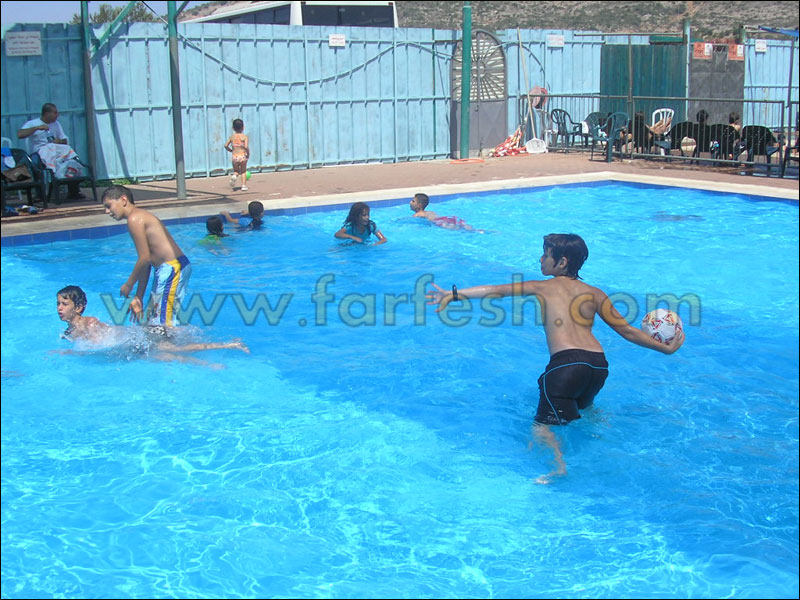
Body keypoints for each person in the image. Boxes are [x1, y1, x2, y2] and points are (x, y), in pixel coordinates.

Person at [426, 233, 685, 484]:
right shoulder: (595, 293)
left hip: (566, 365)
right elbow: (627, 330)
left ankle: (557, 469)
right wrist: (665, 349)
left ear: (561, 262)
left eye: (545, 255)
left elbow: (496, 291)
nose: (540, 259)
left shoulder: (542, 287)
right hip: (597, 366)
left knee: (541, 427)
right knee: (585, 411)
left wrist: (453, 294)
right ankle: (602, 442)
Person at [57, 285, 248, 366]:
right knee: (165, 357)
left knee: (177, 349)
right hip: (134, 343)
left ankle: (230, 344)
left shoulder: (89, 323)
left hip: (142, 337)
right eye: (58, 303)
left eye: (65, 304)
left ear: (79, 308)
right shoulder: (69, 331)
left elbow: (99, 345)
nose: (59, 308)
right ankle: (209, 365)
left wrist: (73, 353)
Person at [102, 185, 191, 327]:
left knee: (163, 324)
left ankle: (197, 339)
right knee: (153, 321)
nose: (107, 211)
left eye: (108, 206)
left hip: (172, 268)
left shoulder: (135, 219)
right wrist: (139, 296)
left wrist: (128, 284)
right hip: (169, 268)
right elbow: (146, 262)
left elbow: (144, 259)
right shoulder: (138, 217)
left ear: (123, 200)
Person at [16, 102, 84, 200]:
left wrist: (59, 141)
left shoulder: (56, 124)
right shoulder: (33, 123)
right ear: (47, 113)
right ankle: (39, 194)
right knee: (36, 164)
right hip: (38, 152)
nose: (57, 115)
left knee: (72, 161)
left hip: (54, 151)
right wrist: (36, 128)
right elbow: (20, 135)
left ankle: (73, 191)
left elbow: (64, 140)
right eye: (55, 113)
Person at [410, 193, 483, 232]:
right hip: (446, 219)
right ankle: (478, 230)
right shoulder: (430, 212)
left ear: (419, 205)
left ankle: (476, 231)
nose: (410, 202)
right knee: (464, 227)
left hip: (440, 223)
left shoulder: (417, 215)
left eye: (413, 201)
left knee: (459, 229)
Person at [224, 118, 250, 191]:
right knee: (243, 171)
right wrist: (248, 153)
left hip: (235, 157)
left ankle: (234, 176)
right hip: (242, 156)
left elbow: (225, 145)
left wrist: (230, 150)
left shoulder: (232, 137)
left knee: (236, 171)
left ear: (233, 128)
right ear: (243, 127)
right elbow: (246, 147)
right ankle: (244, 185)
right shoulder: (244, 137)